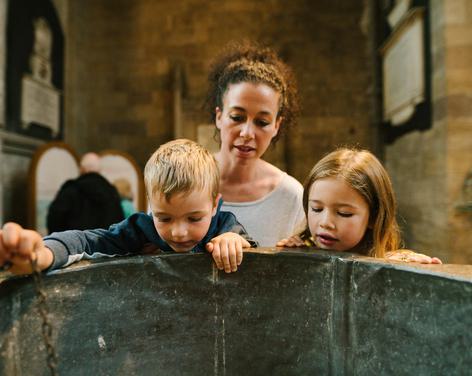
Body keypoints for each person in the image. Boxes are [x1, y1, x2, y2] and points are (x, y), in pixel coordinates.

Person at [0, 139, 255, 275]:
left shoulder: (224, 225)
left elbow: (252, 252)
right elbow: (88, 241)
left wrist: (234, 241)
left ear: (214, 205)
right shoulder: (141, 230)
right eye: (164, 218)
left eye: (194, 218)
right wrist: (43, 253)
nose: (178, 232)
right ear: (150, 206)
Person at [205, 41, 305, 246]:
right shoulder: (182, 180)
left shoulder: (291, 197)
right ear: (219, 117)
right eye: (237, 117)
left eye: (262, 122)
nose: (247, 133)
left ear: (277, 125)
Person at [276, 148, 442, 264]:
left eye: (344, 213)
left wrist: (410, 267)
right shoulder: (300, 249)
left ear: (374, 216)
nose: (325, 222)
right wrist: (290, 256)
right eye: (317, 209)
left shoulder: (396, 261)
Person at [46, 152, 125, 233]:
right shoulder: (111, 192)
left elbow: (54, 218)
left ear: (82, 168)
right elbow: (119, 223)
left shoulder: (71, 190)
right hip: (104, 243)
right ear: (99, 170)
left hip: (75, 243)